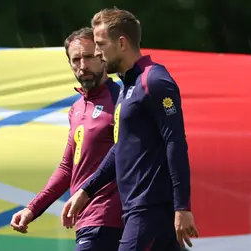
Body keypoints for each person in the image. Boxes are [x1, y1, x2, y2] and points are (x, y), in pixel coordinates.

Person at [61, 8, 199, 251]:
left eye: (101, 44)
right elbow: (120, 148)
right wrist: (86, 191)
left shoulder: (154, 81)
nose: (97, 52)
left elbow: (175, 143)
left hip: (150, 210)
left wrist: (182, 207)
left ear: (122, 43)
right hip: (139, 210)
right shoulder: (128, 85)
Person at [10, 27, 123, 251]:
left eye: (89, 57)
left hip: (113, 219)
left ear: (102, 55)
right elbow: (67, 168)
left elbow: (128, 152)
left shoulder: (122, 98)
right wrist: (32, 209)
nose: (83, 66)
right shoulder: (76, 109)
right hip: (85, 220)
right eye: (76, 59)